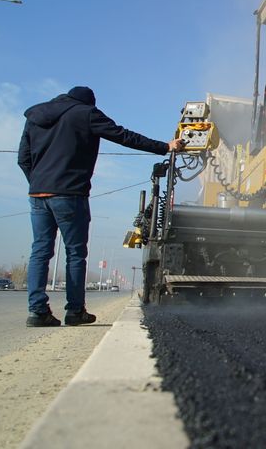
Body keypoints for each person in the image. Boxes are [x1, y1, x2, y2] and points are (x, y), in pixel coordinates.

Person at [18, 86, 186, 327]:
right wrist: (165, 146)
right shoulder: (85, 113)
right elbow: (123, 136)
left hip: (38, 194)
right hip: (70, 194)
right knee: (75, 253)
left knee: (40, 252)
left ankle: (37, 312)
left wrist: (38, 182)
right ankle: (75, 311)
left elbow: (23, 158)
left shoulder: (35, 115)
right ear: (89, 102)